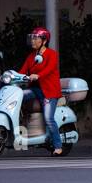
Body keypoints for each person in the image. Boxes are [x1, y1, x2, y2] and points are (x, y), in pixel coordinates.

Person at [19, 26, 63, 155]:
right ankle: (21, 127)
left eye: (36, 38)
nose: (33, 41)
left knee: (49, 118)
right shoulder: (31, 56)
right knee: (18, 97)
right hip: (35, 90)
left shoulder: (52, 54)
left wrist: (38, 75)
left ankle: (58, 146)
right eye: (32, 38)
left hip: (49, 92)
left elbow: (49, 69)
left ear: (44, 41)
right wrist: (11, 76)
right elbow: (22, 71)